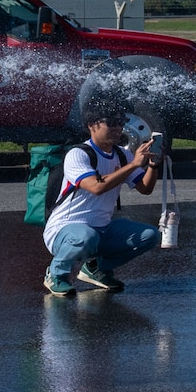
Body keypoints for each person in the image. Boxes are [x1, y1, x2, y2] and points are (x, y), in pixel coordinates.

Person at [38, 107, 163, 295]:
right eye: (110, 123)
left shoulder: (123, 154)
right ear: (91, 126)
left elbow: (145, 188)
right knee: (86, 237)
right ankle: (56, 274)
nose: (117, 128)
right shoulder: (78, 154)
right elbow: (96, 187)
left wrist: (153, 165)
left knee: (150, 235)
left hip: (101, 229)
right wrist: (134, 165)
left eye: (120, 122)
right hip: (65, 229)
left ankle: (96, 268)